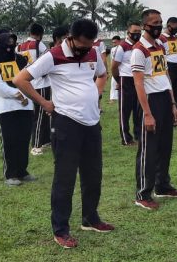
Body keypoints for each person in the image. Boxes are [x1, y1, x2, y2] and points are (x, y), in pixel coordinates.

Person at [14, 19, 113, 249]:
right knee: (65, 179)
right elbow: (20, 79)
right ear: (70, 37)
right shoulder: (53, 55)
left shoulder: (92, 53)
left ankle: (90, 218)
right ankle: (61, 230)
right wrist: (44, 103)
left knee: (93, 175)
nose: (85, 50)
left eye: (89, 45)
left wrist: (95, 94)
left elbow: (102, 74)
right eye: (81, 45)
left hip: (92, 123)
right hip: (66, 124)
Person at [131, 9, 177, 210]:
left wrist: (173, 104)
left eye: (160, 22)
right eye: (154, 23)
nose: (158, 26)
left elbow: (164, 76)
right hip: (150, 101)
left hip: (164, 99)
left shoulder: (160, 46)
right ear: (145, 25)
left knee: (164, 146)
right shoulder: (139, 50)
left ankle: (162, 186)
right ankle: (143, 193)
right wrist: (147, 114)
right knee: (149, 149)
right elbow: (138, 84)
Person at [0, 34, 35, 186]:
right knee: (10, 141)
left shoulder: (21, 60)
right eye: (7, 42)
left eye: (12, 42)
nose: (10, 45)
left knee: (24, 139)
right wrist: (17, 94)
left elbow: (30, 77)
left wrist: (25, 95)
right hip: (6, 108)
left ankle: (22, 170)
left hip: (25, 106)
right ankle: (11, 174)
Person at [17, 24, 51, 155]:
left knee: (37, 115)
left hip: (25, 84)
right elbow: (47, 61)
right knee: (40, 116)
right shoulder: (39, 45)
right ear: (41, 34)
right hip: (40, 84)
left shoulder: (19, 46)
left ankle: (45, 140)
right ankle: (36, 145)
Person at [111, 22, 140, 146]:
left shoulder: (139, 45)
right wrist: (119, 80)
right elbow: (114, 67)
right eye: (134, 32)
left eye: (139, 31)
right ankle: (126, 138)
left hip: (138, 80)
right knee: (125, 111)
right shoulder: (122, 47)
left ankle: (138, 135)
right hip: (126, 80)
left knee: (138, 110)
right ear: (128, 33)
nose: (137, 34)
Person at [108, 35, 121, 103]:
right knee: (113, 83)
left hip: (122, 69)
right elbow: (111, 59)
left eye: (115, 42)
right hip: (115, 68)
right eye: (113, 42)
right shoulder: (112, 49)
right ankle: (112, 98)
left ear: (119, 41)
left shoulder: (122, 49)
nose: (114, 44)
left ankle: (121, 97)